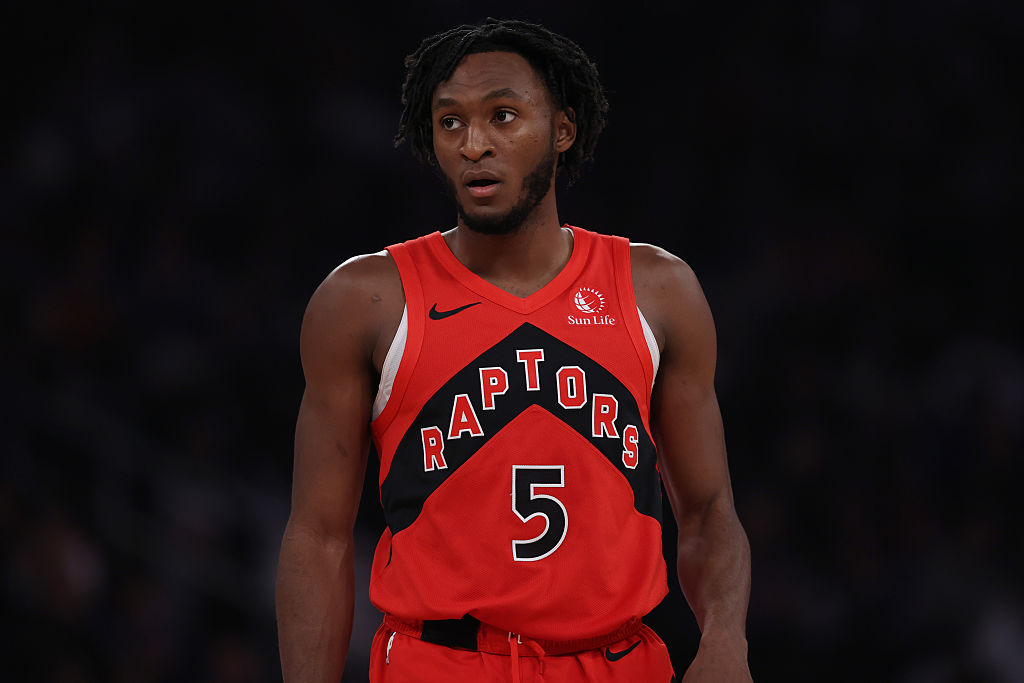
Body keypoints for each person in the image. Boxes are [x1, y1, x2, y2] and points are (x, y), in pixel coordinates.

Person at [275, 17, 752, 683]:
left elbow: (708, 512)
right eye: (450, 122)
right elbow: (320, 537)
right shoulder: (366, 300)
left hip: (620, 662)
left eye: (503, 115)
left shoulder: (658, 291)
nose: (474, 145)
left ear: (563, 129)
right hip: (438, 661)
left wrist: (726, 639)